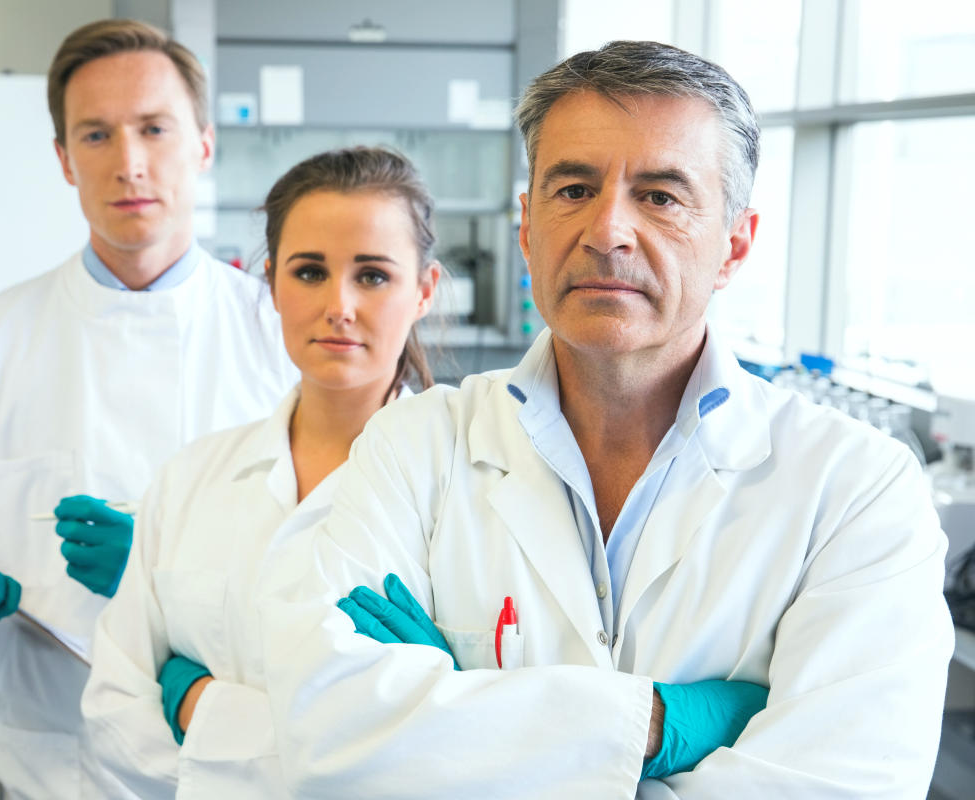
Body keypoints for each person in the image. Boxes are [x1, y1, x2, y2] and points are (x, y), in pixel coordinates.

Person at [260, 40, 954, 798]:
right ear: (527, 227)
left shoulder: (856, 489)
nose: (607, 232)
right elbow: (325, 745)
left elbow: (846, 784)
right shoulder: (413, 447)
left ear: (736, 244)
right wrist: (653, 727)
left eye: (660, 195)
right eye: (573, 189)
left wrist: (460, 713)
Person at [0, 19, 298, 798]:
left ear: (204, 143)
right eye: (97, 135)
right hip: (51, 767)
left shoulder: (281, 335)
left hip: (244, 764)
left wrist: (160, 578)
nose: (130, 162)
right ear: (64, 160)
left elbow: (338, 572)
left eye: (154, 129)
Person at [80, 145, 442, 798]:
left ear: (424, 290)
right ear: (271, 282)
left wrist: (210, 717)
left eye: (373, 276)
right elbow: (114, 724)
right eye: (309, 272)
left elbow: (471, 758)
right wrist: (355, 748)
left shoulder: (473, 495)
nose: (339, 305)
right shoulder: (190, 480)